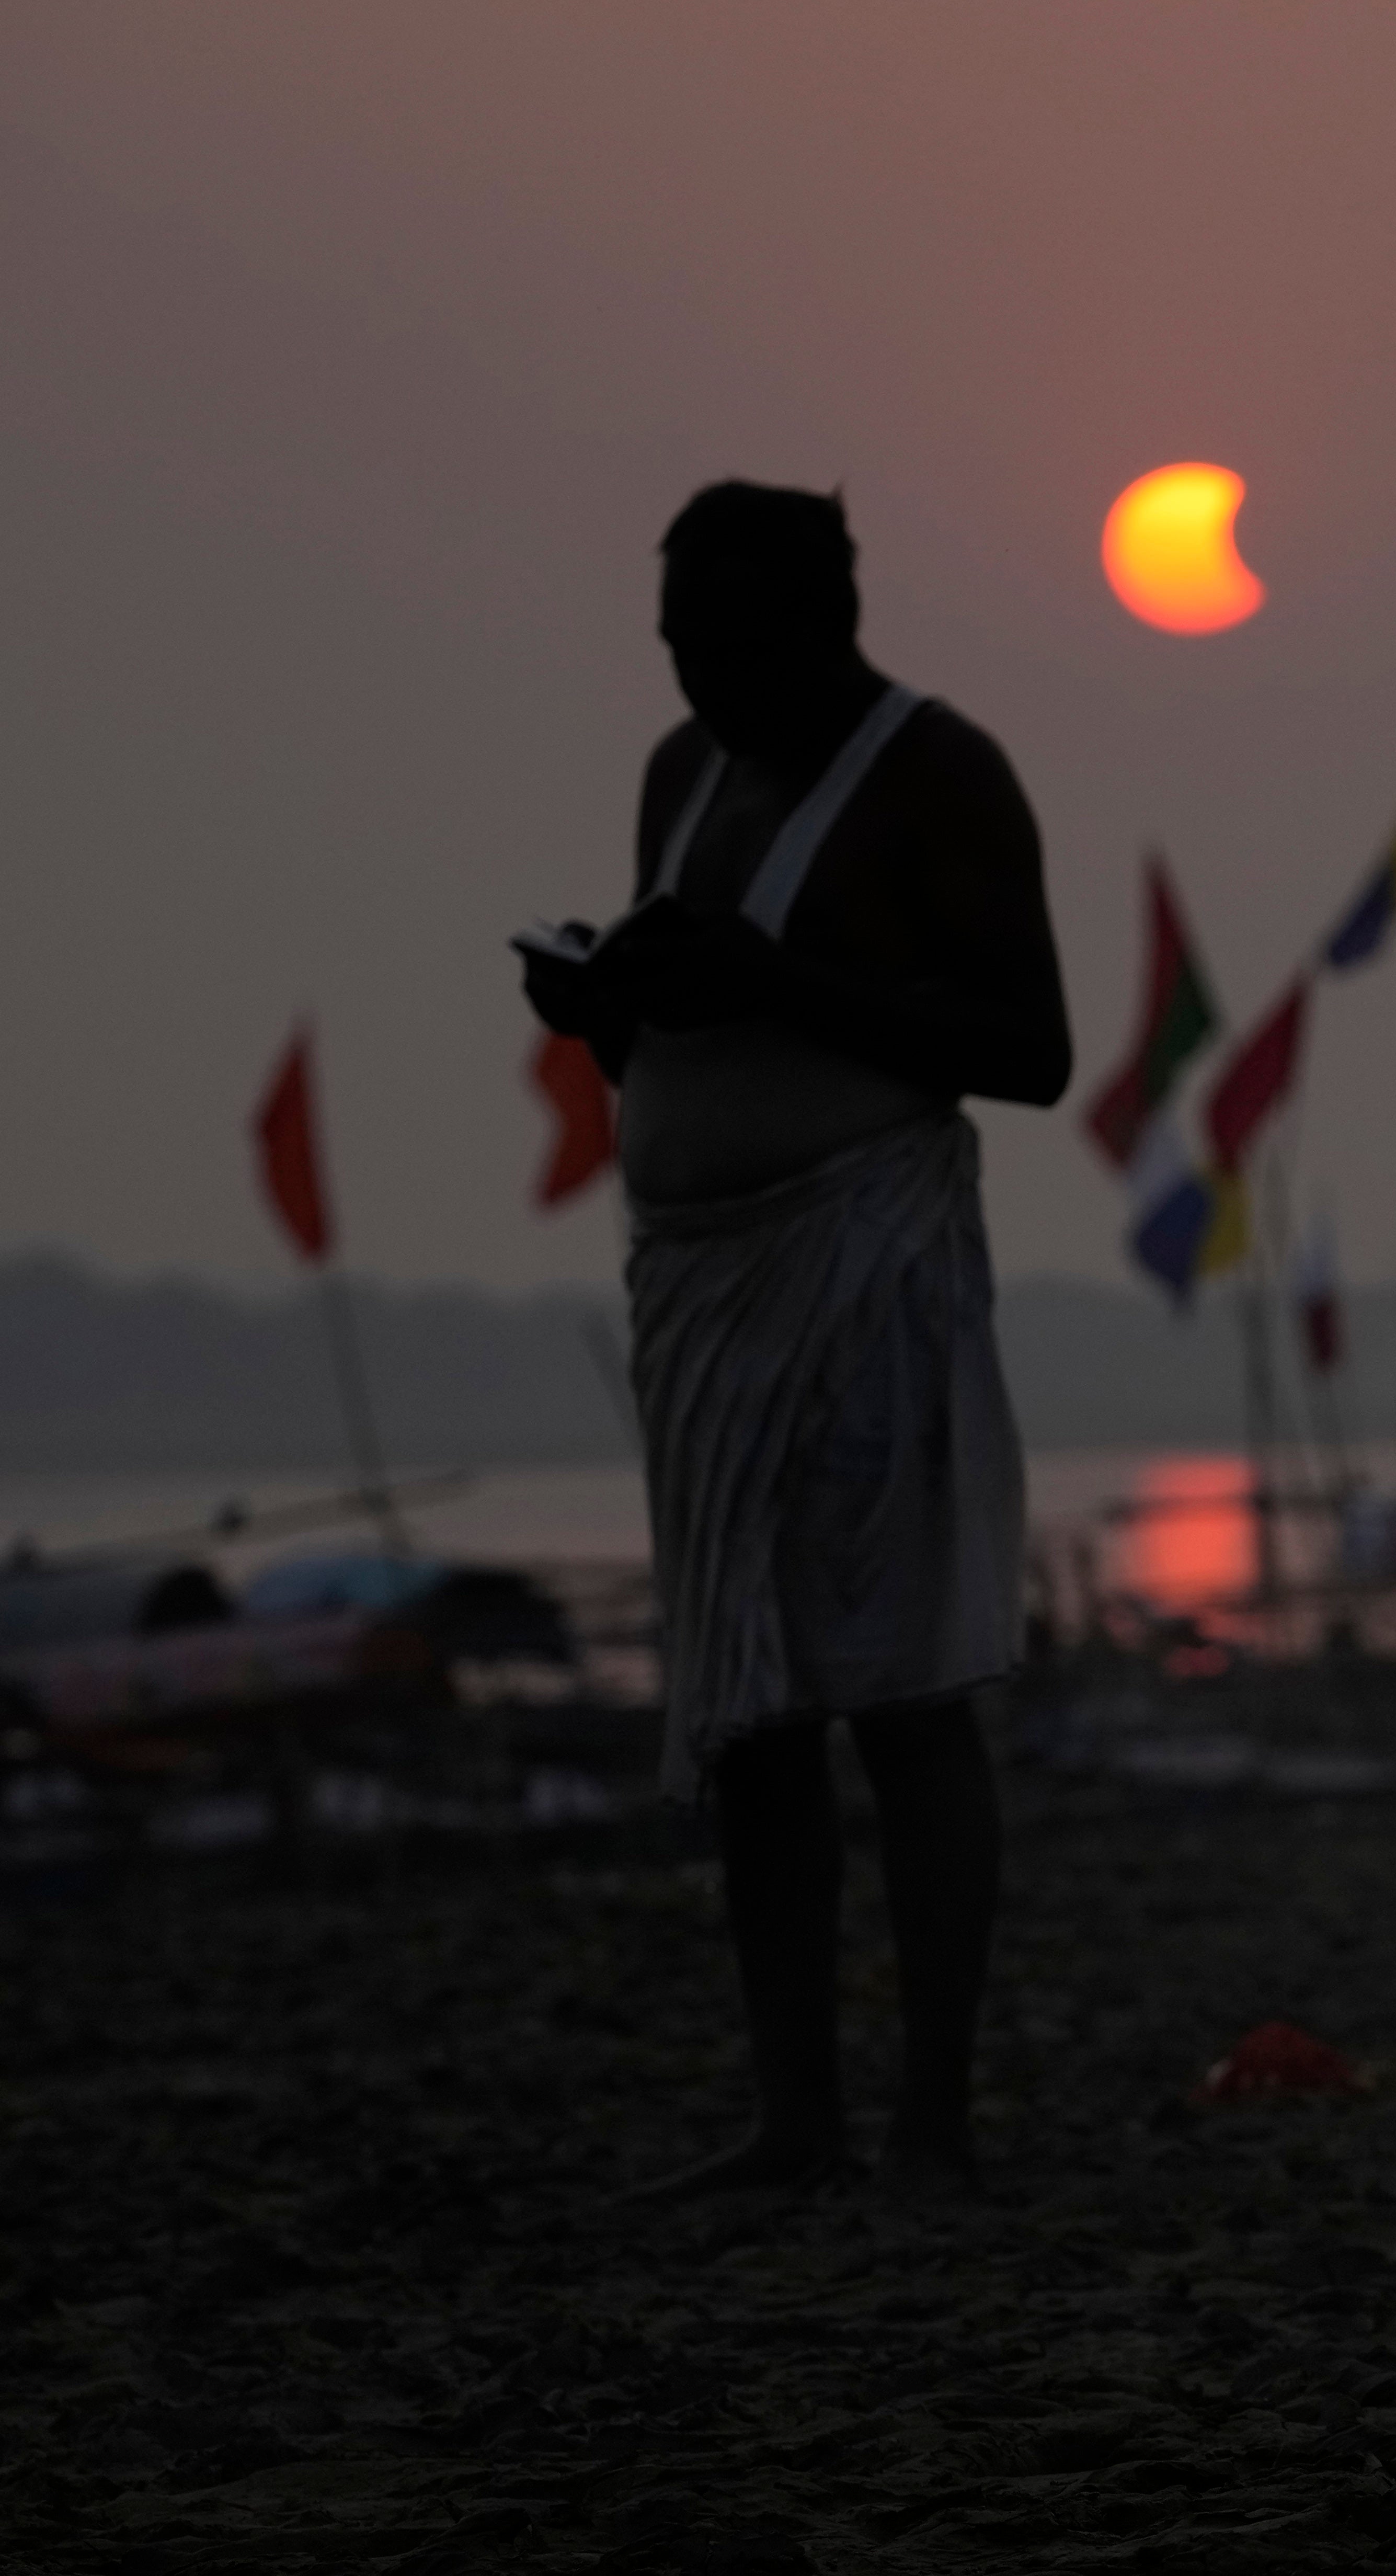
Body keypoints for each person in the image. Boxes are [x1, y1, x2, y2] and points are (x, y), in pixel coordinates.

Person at [522, 481, 1072, 2201]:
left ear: (821, 623)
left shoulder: (938, 774)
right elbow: (687, 1025)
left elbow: (1032, 1049)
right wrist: (612, 1004)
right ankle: (796, 2119)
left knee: (903, 1692)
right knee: (750, 1706)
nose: (694, 678)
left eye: (723, 645)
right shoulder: (682, 776)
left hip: (870, 1272)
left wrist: (773, 977)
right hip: (699, 1290)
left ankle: (933, 2118)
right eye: (675, 646)